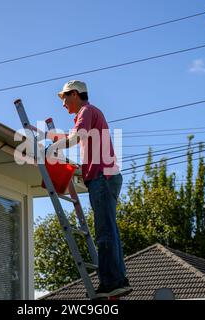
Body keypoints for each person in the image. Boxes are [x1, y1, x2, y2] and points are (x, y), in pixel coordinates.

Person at [47, 80, 132, 298]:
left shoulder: (86, 111)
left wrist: (53, 147)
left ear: (74, 94)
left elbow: (77, 137)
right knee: (110, 230)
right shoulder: (92, 113)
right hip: (106, 176)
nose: (63, 103)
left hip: (102, 178)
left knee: (104, 232)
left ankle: (111, 283)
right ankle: (118, 279)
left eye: (64, 97)